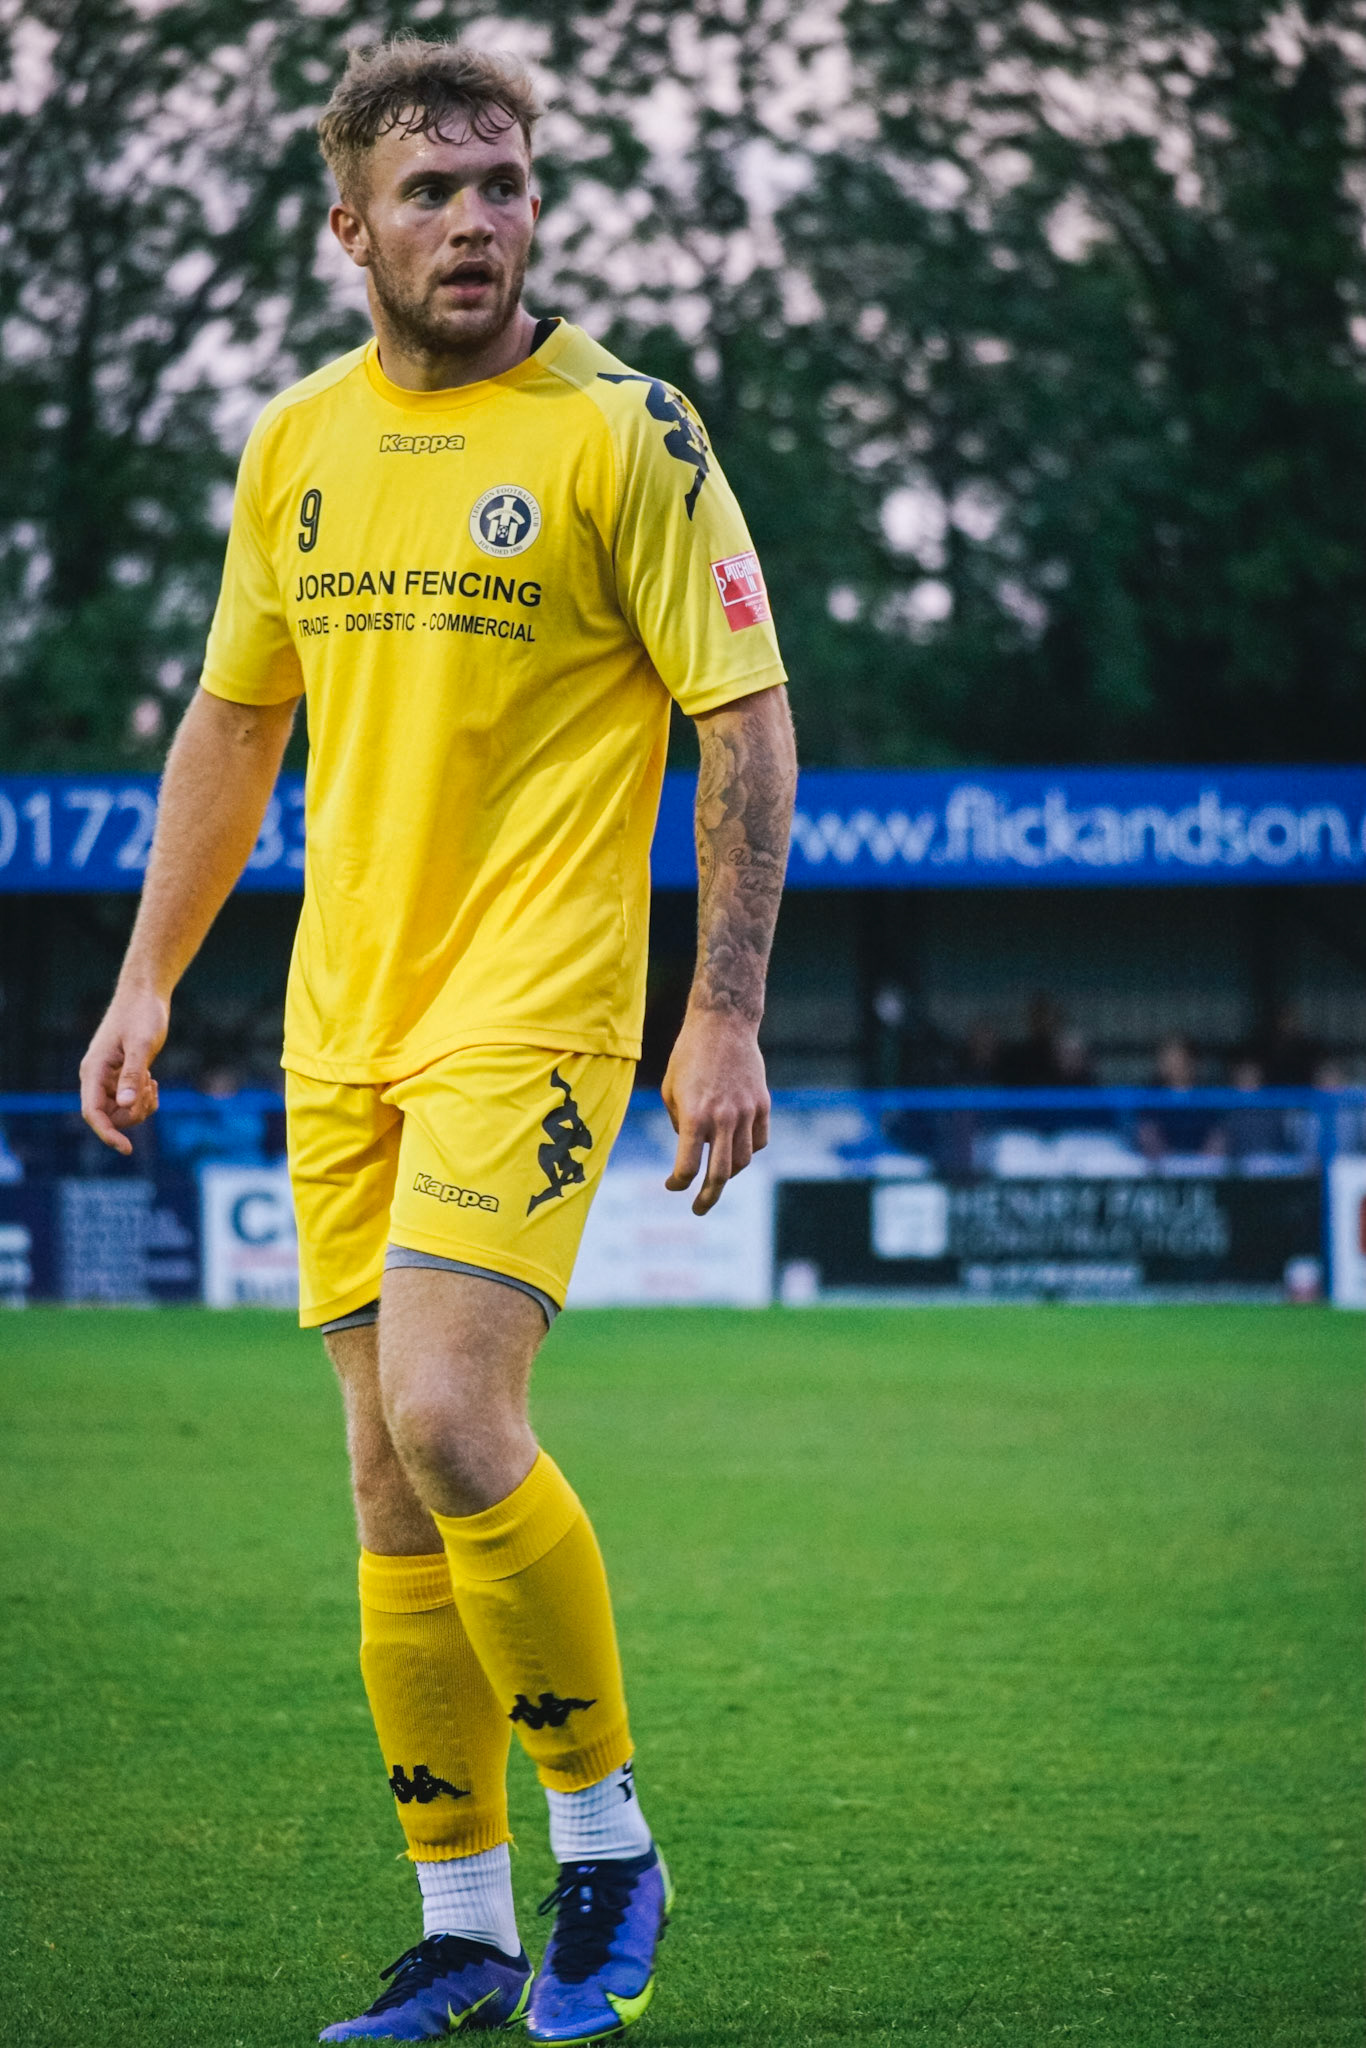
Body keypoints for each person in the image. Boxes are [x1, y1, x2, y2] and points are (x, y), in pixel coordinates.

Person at [78, 38, 796, 2047]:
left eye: (504, 184)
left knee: (454, 1418)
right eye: (432, 192)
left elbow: (745, 725)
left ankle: (609, 1850)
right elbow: (236, 721)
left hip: (535, 1006)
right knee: (388, 1488)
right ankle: (463, 1927)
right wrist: (143, 978)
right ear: (351, 227)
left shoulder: (626, 432)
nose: (478, 221)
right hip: (343, 1023)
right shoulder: (295, 441)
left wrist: (719, 1008)